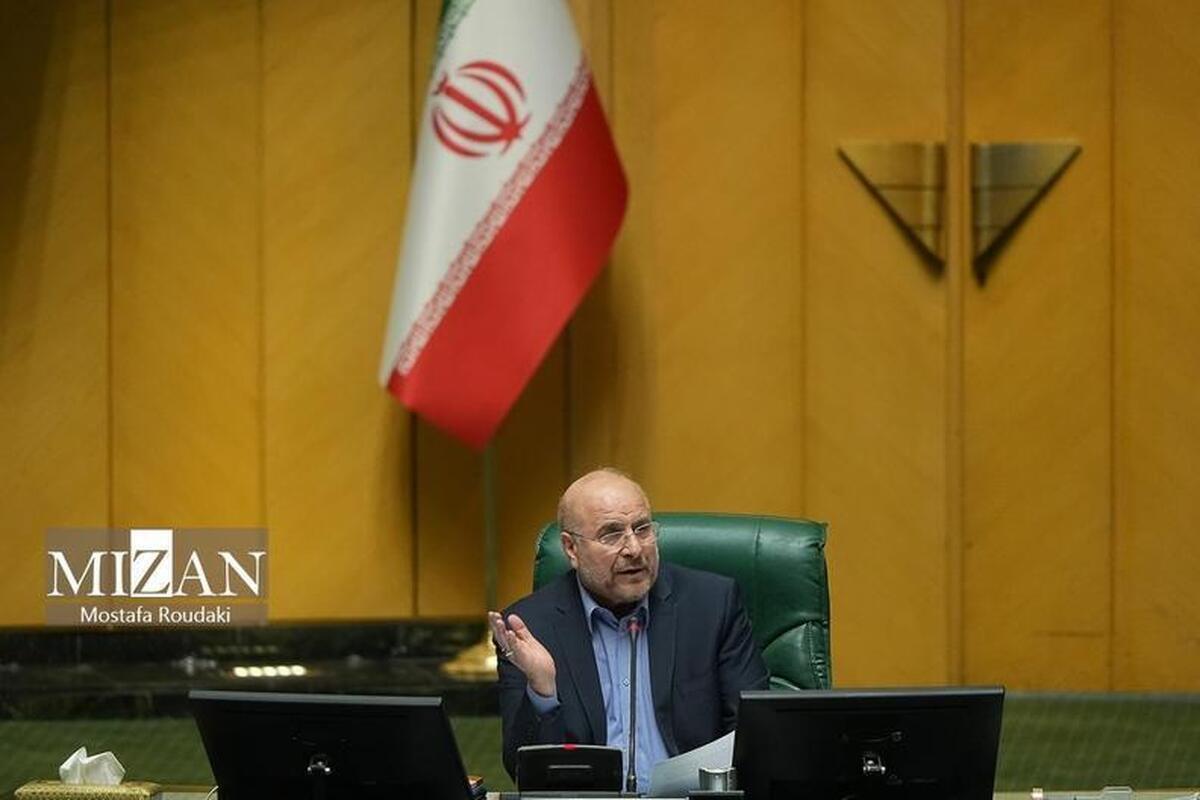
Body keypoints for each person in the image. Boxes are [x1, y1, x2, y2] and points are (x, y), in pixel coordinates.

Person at [488, 468, 768, 792]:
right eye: (611, 534)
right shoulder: (528, 628)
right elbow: (523, 772)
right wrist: (542, 692)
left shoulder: (713, 605)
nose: (634, 548)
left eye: (642, 529)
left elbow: (755, 736)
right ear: (571, 549)